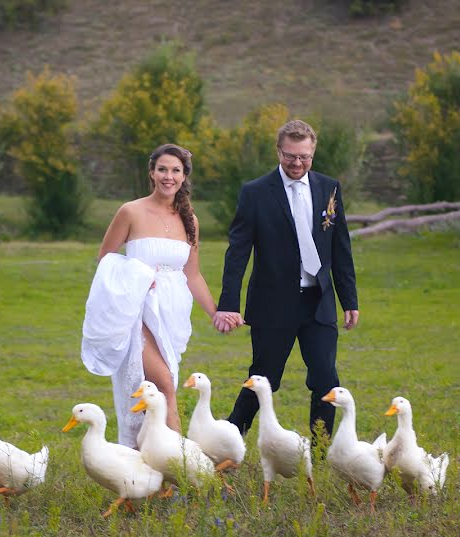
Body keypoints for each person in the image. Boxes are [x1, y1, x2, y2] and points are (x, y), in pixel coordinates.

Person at [213, 120, 359, 443]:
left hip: (318, 303)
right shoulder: (255, 193)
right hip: (273, 304)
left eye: (304, 157)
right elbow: (238, 252)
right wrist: (228, 303)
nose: (297, 163)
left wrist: (349, 300)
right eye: (290, 156)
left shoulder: (328, 188)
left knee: (326, 379)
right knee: (263, 379)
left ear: (313, 152)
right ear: (279, 151)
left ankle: (319, 455)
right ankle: (229, 440)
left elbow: (340, 246)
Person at [81, 144, 235, 448]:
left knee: (159, 386)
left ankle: (151, 468)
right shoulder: (131, 211)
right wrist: (135, 276)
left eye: (175, 170)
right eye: (162, 169)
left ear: (184, 176)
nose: (169, 176)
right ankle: (183, 468)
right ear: (152, 172)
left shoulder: (190, 219)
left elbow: (192, 274)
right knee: (163, 385)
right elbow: (105, 258)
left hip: (171, 314)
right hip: (136, 310)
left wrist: (215, 311)